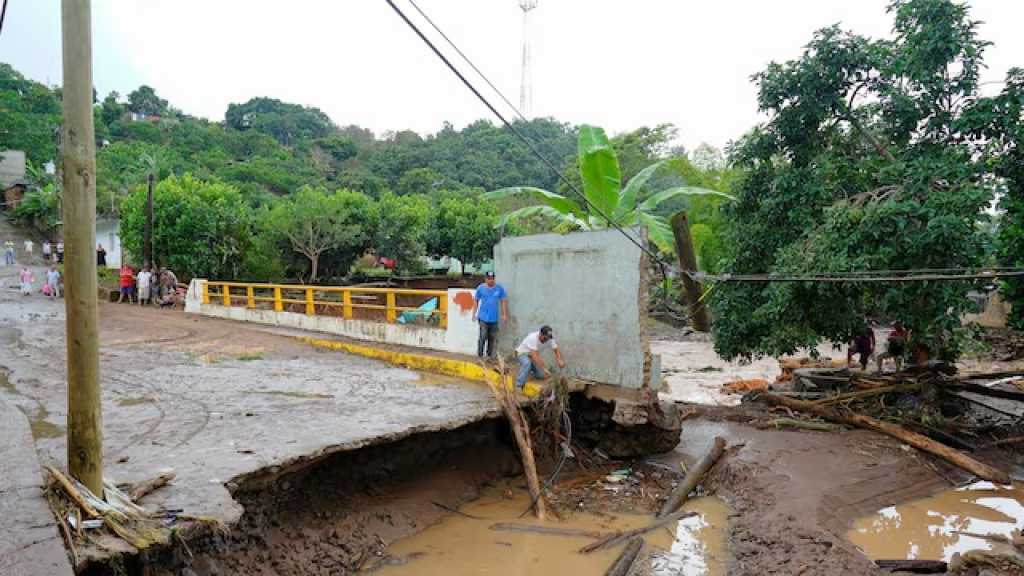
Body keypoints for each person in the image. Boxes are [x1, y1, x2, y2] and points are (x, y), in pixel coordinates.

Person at [472, 271, 508, 359]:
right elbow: (476, 300)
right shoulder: (481, 288)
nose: (491, 281)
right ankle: (480, 355)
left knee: (491, 338)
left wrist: (504, 314)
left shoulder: (499, 288)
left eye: (492, 279)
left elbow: (503, 300)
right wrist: (474, 313)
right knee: (483, 335)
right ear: (485, 279)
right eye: (489, 279)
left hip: (494, 318)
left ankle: (489, 355)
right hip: (483, 317)